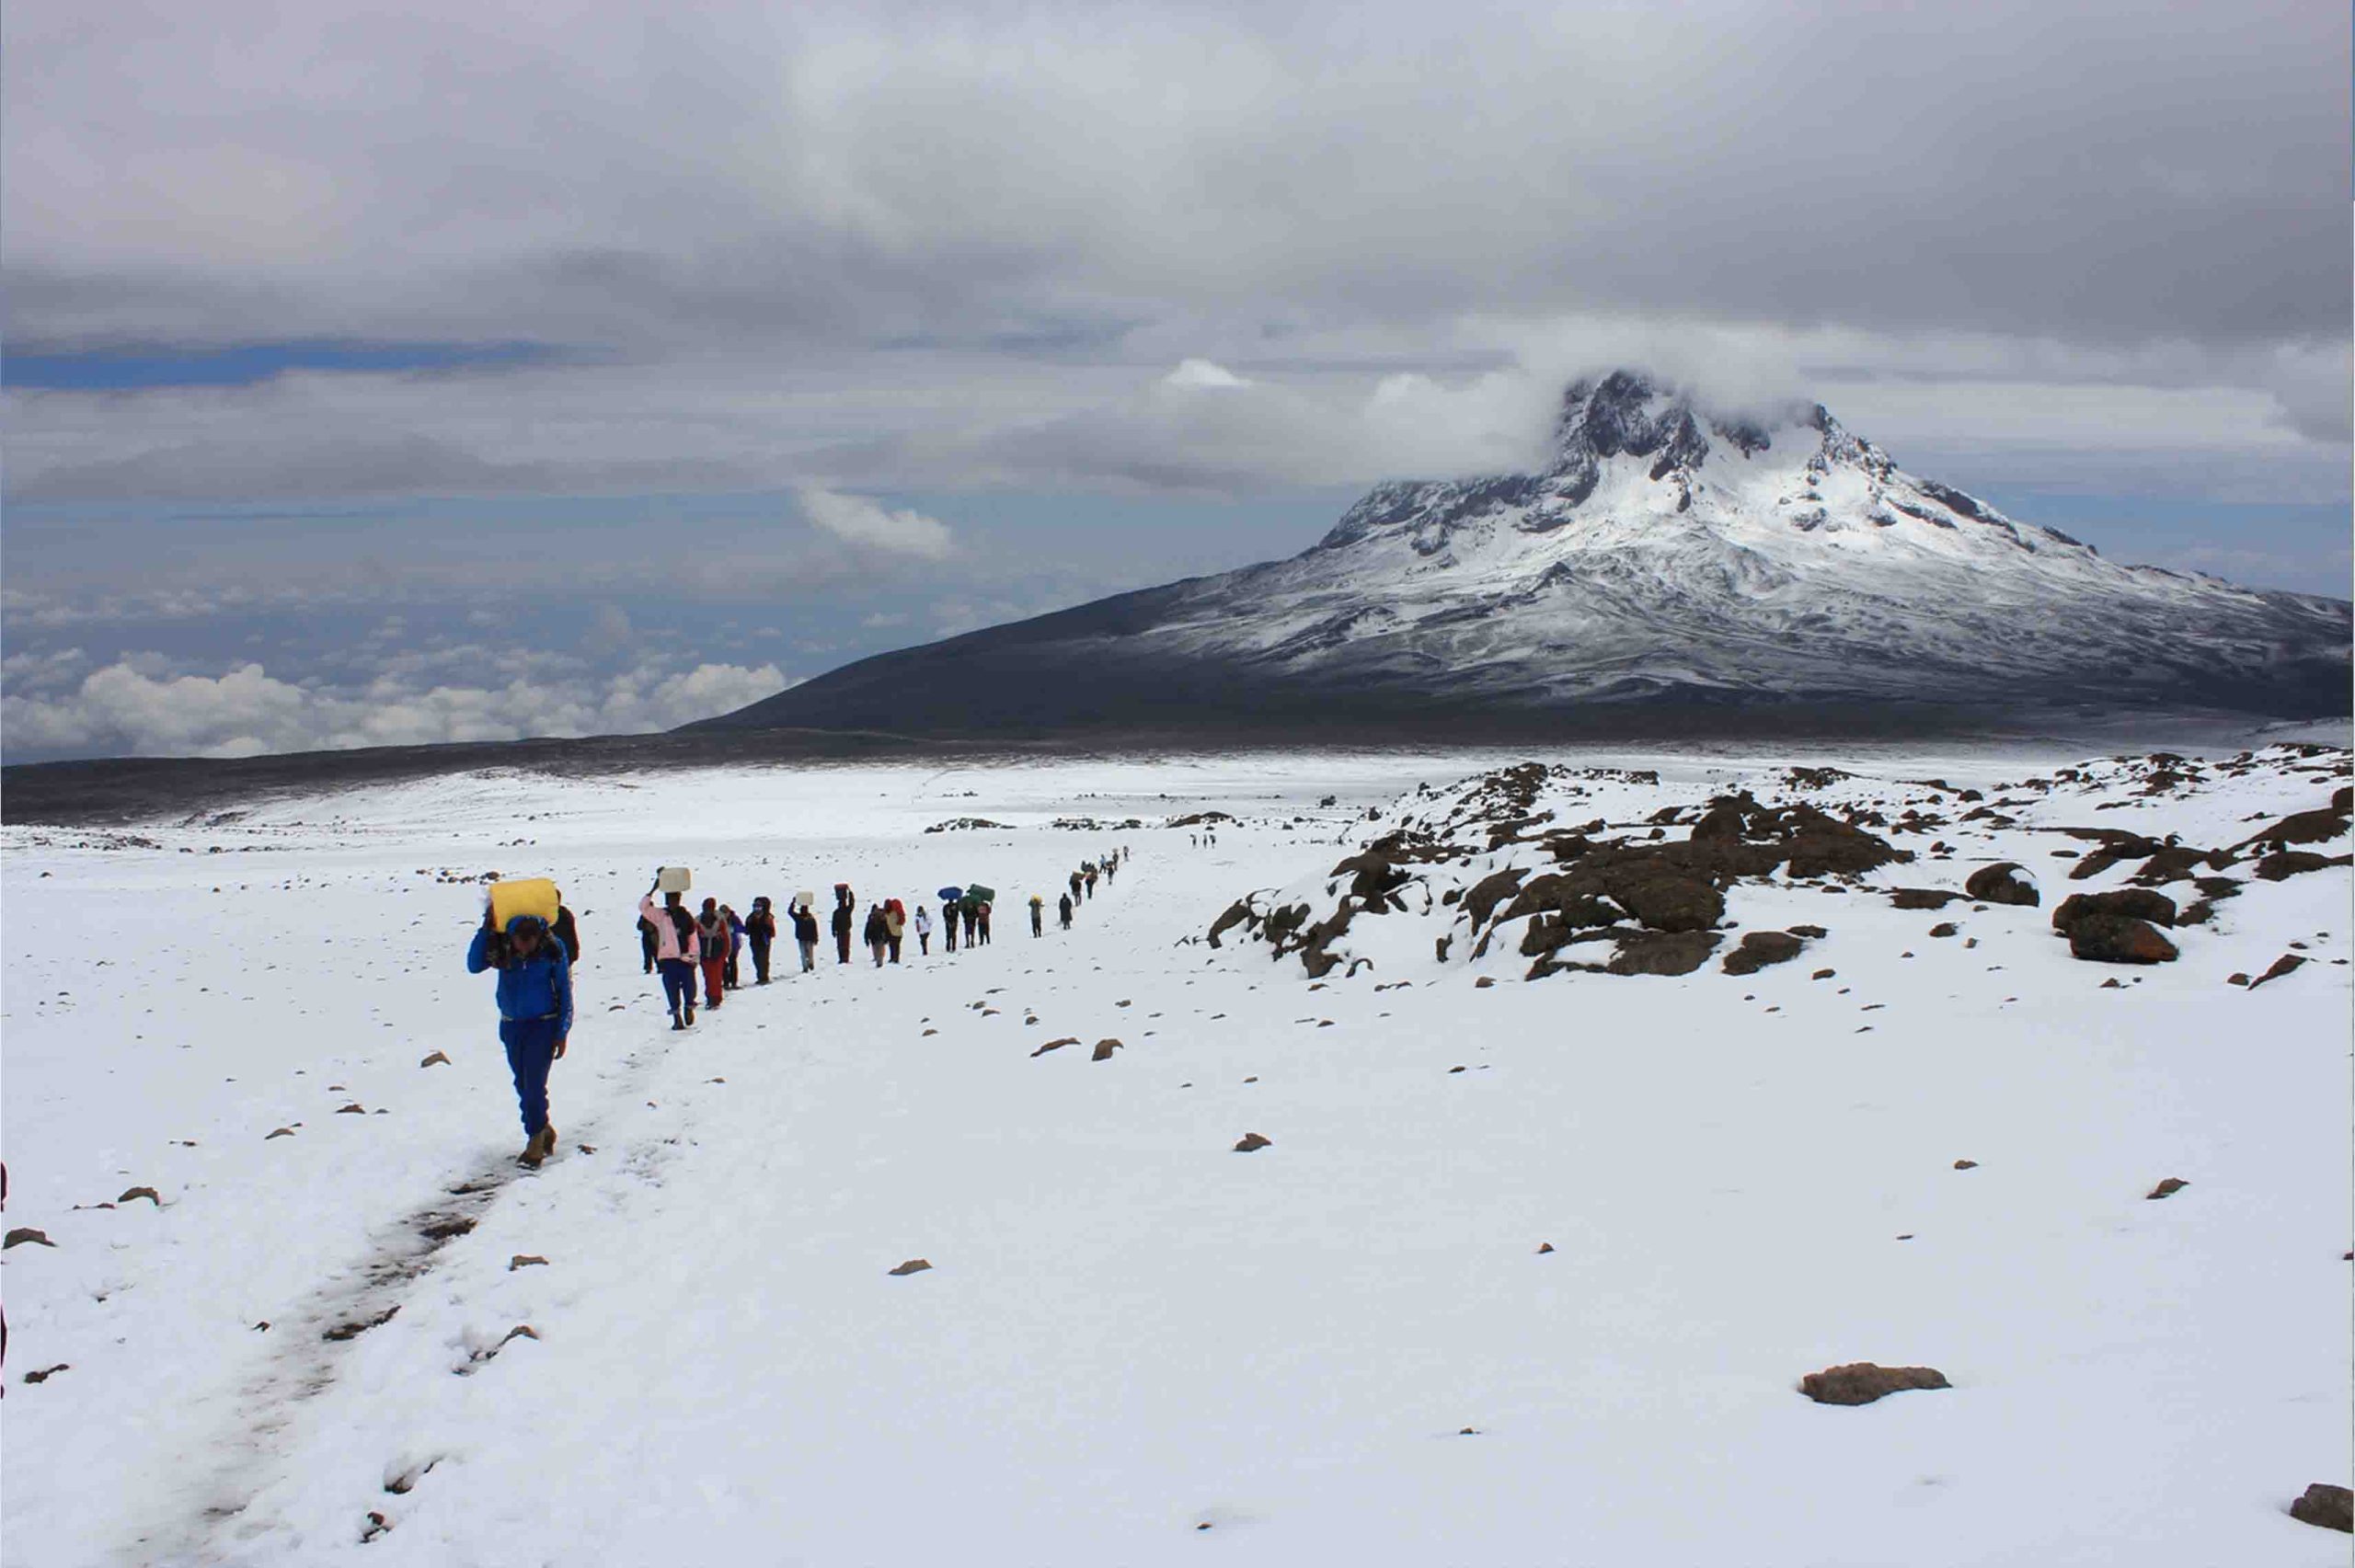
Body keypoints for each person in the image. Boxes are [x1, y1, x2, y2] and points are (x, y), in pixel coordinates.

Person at [467, 907, 573, 1167]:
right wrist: (485, 928)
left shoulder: (553, 949)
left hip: (543, 1025)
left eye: (530, 941)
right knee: (522, 1085)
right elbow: (473, 965)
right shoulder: (501, 949)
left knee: (534, 1084)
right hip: (512, 1026)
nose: (525, 947)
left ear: (538, 937)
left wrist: (562, 1032)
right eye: (520, 941)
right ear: (512, 937)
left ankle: (534, 1142)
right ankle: (543, 1128)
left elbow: (564, 989)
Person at [639, 881, 701, 1028]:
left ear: (678, 899)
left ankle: (688, 1008)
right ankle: (676, 1017)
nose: (671, 902)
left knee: (690, 988)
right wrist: (653, 889)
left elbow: (693, 938)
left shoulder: (686, 917)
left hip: (685, 959)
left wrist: (693, 957)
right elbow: (643, 908)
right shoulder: (661, 916)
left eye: (674, 899)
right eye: (668, 899)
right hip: (667, 959)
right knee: (671, 989)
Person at [697, 898, 729, 1009]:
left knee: (716, 976)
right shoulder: (697, 921)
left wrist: (725, 951)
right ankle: (710, 997)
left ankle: (715, 998)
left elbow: (726, 936)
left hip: (717, 952)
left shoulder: (720, 920)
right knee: (708, 976)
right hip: (704, 953)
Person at [745, 898, 777, 984]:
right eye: (755, 907)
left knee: (764, 959)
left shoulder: (767, 917)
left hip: (764, 941)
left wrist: (765, 928)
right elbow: (747, 930)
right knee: (756, 959)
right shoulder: (750, 917)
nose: (757, 909)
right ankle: (760, 976)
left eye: (759, 907)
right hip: (754, 941)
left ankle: (764, 977)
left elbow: (772, 932)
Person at [790, 898, 820, 973]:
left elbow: (814, 929)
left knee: (806, 954)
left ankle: (808, 965)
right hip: (804, 938)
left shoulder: (800, 918)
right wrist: (793, 903)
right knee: (806, 953)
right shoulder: (809, 919)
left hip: (805, 938)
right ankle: (807, 966)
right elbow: (815, 929)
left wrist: (816, 938)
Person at [721, 904, 745, 990]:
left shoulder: (734, 918)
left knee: (733, 962)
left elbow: (743, 928)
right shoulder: (718, 920)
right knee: (723, 964)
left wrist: (733, 929)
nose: (724, 915)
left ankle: (734, 982)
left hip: (734, 944)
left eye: (725, 913)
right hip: (722, 945)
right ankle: (726, 982)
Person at [552, 899, 582, 964]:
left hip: (553, 959)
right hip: (567, 957)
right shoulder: (565, 913)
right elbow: (572, 935)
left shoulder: (545, 916)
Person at [832, 887, 856, 965]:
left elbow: (833, 923)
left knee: (841, 946)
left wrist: (833, 930)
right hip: (845, 930)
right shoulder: (847, 910)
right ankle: (844, 959)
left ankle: (843, 959)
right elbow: (852, 904)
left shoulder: (837, 912)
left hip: (841, 931)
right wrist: (850, 894)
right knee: (845, 945)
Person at [864, 901, 890, 967]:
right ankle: (879, 961)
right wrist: (887, 936)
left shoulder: (871, 917)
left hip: (873, 936)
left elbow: (867, 929)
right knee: (880, 948)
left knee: (875, 948)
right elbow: (885, 927)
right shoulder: (882, 916)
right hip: (880, 935)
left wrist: (866, 938)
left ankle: (877, 959)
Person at [637, 911, 660, 975]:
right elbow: (639, 926)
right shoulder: (644, 916)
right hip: (646, 937)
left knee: (656, 952)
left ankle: (660, 967)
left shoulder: (656, 915)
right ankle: (648, 968)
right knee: (647, 953)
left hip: (654, 936)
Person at [885, 898, 904, 964]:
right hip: (896, 932)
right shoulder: (893, 913)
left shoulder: (890, 913)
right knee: (895, 946)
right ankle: (894, 958)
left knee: (894, 946)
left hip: (893, 932)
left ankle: (894, 959)